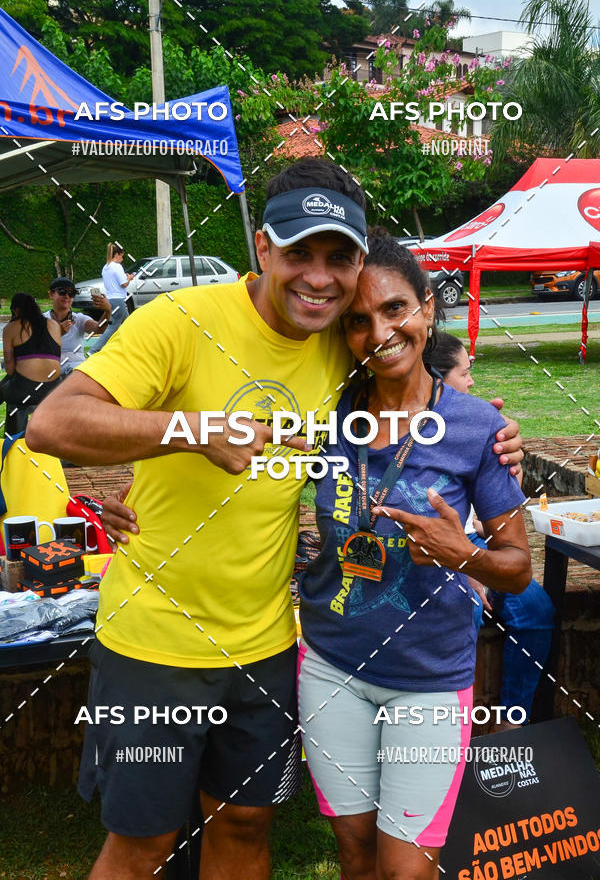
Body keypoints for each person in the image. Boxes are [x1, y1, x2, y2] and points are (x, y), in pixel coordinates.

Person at [27, 161, 523, 880]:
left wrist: (493, 435)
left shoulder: (341, 345)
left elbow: (427, 382)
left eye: (338, 259)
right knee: (144, 844)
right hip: (154, 642)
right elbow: (52, 421)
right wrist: (193, 431)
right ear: (263, 248)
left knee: (247, 824)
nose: (318, 278)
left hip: (264, 645)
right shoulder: (180, 320)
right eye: (299, 253)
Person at [296, 227, 532, 880]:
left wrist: (467, 554)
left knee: (407, 870)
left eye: (394, 308)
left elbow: (518, 569)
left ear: (427, 306)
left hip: (428, 681)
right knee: (354, 856)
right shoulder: (324, 414)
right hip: (330, 667)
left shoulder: (479, 428)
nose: (378, 333)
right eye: (357, 321)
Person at [424, 331, 554, 729]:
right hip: (427, 547)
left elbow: (502, 505)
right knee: (462, 611)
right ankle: (444, 723)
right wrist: (465, 568)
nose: (473, 381)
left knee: (535, 608)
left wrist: (503, 457)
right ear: (439, 379)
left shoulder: (477, 423)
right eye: (466, 372)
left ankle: (511, 720)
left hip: (471, 537)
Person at [1, 293, 61, 436]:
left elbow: (9, 367)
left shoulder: (12, 327)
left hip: (24, 388)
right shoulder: (53, 325)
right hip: (54, 388)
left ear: (15, 310)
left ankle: (14, 440)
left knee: (5, 387)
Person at [45, 277, 113, 375]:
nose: (67, 296)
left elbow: (98, 329)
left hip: (78, 369)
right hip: (52, 369)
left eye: (72, 294)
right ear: (51, 294)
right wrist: (57, 333)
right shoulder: (41, 320)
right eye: (62, 292)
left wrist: (107, 311)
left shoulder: (79, 319)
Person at [88, 242, 135, 354]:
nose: (122, 259)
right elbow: (123, 284)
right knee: (114, 326)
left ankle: (126, 347)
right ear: (117, 255)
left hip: (110, 299)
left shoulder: (106, 267)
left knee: (127, 324)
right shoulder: (117, 266)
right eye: (122, 256)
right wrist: (130, 278)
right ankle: (94, 350)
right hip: (118, 300)